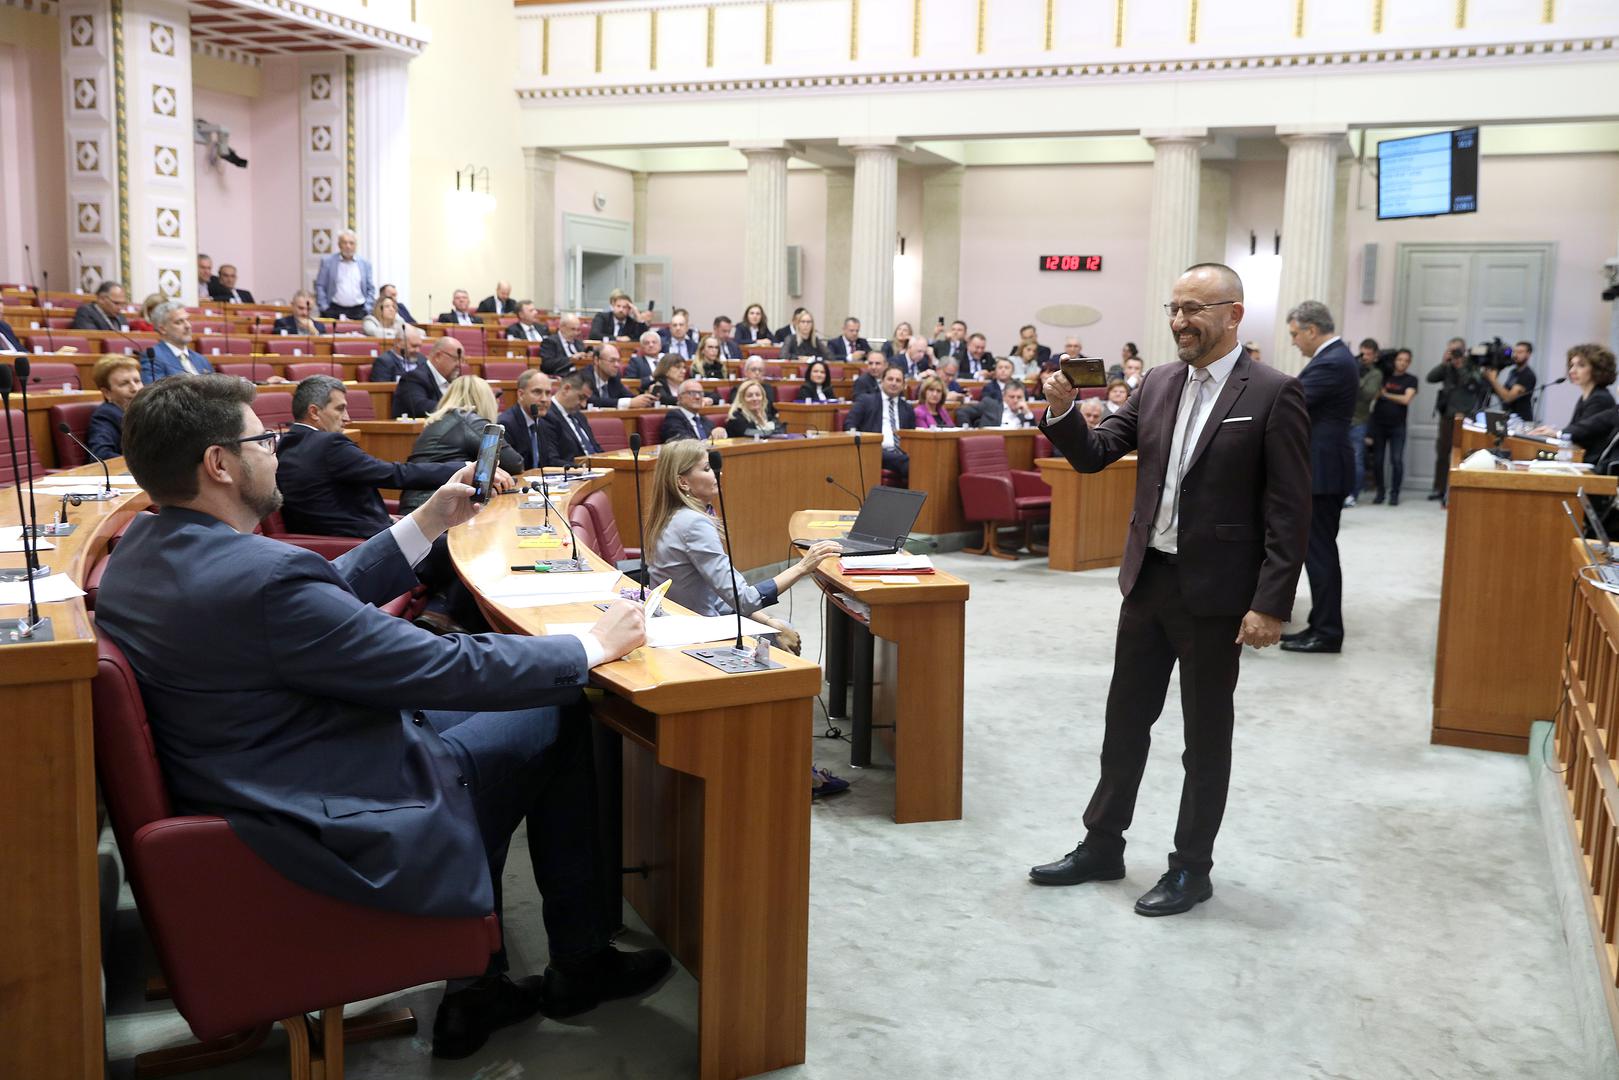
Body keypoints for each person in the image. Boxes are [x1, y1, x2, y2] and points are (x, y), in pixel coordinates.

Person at [95, 374, 668, 1060]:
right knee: (557, 701)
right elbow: (440, 666)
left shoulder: (141, 551)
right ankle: (575, 962)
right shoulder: (264, 580)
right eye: (265, 440)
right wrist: (587, 645)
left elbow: (318, 603)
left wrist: (429, 521)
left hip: (254, 774)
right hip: (327, 811)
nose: (278, 451)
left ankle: (481, 986)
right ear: (219, 464)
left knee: (521, 702)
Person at [1028, 262, 1311, 917]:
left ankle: (1190, 869)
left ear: (1233, 313)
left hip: (1215, 597)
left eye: (1196, 308)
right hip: (1147, 582)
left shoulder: (1272, 392)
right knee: (1122, 725)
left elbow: (1289, 509)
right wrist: (1063, 412)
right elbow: (1095, 453)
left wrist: (1270, 604)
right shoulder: (1156, 383)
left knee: (1203, 738)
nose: (1181, 320)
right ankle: (1101, 846)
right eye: (1174, 308)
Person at [640, 439, 847, 794]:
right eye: (706, 468)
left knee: (780, 629)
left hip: (690, 623)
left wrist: (766, 621)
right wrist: (803, 566)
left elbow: (720, 596)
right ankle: (793, 771)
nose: (715, 472)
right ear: (683, 482)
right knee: (787, 655)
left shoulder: (676, 515)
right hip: (700, 636)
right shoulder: (694, 523)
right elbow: (743, 596)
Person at [279, 374, 467, 536]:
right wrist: (463, 468)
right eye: (339, 409)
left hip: (336, 541)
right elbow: (396, 474)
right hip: (361, 545)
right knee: (459, 551)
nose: (347, 418)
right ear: (314, 412)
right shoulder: (329, 444)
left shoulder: (284, 445)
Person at [1280, 300, 1357, 656]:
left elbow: (1290, 405)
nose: (1295, 342)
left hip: (1322, 471)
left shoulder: (1332, 362)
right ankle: (1320, 625)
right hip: (1324, 468)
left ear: (1312, 330)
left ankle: (1327, 631)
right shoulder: (1335, 358)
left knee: (1320, 553)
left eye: (1296, 334)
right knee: (1319, 551)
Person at [399, 377, 525, 514]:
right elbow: (515, 463)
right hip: (435, 510)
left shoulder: (438, 420)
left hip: (416, 506)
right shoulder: (470, 421)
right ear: (485, 399)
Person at [1425, 336, 1486, 503]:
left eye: (1457, 350)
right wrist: (1445, 363)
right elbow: (1430, 378)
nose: (1455, 354)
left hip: (1465, 417)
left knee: (1463, 453)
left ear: (1464, 350)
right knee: (1442, 453)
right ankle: (1439, 489)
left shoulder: (1472, 365)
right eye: (1451, 350)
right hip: (1447, 415)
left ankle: (1460, 488)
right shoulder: (1447, 366)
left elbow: (1476, 383)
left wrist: (1460, 366)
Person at [1531, 344, 1619, 457]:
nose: (1572, 371)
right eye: (1571, 365)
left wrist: (1557, 434)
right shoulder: (1585, 397)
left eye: (1581, 366)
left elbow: (1584, 433)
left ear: (1597, 369)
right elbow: (1575, 429)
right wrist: (1554, 433)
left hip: (1590, 462)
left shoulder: (1601, 398)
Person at [844, 365, 913, 484]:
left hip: (901, 452)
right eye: (890, 379)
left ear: (903, 385)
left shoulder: (907, 408)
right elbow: (849, 424)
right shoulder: (866, 401)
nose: (894, 383)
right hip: (875, 450)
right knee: (910, 463)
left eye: (898, 380)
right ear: (882, 381)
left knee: (916, 460)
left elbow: (912, 434)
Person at [1368, 349, 1419, 505]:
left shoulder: (1411, 380)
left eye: (1405, 360)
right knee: (1377, 461)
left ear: (1409, 362)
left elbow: (1406, 399)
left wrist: (1386, 395)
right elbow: (1373, 395)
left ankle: (1395, 494)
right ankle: (1380, 492)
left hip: (1398, 426)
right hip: (1379, 424)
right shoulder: (1383, 375)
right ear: (1394, 361)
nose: (1402, 363)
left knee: (1396, 460)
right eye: (1399, 359)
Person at [1346, 338, 1384, 508]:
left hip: (1359, 421)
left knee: (1357, 459)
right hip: (1343, 419)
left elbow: (1368, 393)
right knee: (1342, 460)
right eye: (1363, 353)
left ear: (1375, 356)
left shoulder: (1376, 374)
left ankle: (1353, 495)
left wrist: (1356, 377)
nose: (1365, 357)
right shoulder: (1353, 368)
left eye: (1369, 354)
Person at [500, 369, 562, 471]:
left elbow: (550, 460)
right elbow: (512, 469)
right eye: (537, 392)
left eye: (548, 393)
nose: (544, 399)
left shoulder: (545, 422)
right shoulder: (506, 424)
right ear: (521, 395)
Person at [141, 302, 215, 382]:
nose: (188, 326)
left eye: (187, 320)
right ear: (162, 329)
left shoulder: (201, 359)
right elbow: (155, 392)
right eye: (179, 322)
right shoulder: (154, 357)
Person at [393, 337, 465, 419]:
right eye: (456, 359)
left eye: (462, 360)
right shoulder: (413, 378)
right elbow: (422, 407)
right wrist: (459, 408)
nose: (459, 365)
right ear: (438, 356)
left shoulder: (455, 380)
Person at [87, 355, 142, 460]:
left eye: (137, 381)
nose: (135, 388)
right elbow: (100, 455)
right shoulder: (105, 415)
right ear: (107, 393)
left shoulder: (147, 409)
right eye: (124, 384)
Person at [313, 230, 375, 320]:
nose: (348, 246)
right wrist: (324, 307)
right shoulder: (328, 262)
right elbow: (320, 286)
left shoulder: (365, 264)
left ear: (356, 245)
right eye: (344, 243)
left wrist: (367, 308)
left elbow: (370, 288)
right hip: (334, 309)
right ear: (339, 245)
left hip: (359, 310)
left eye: (351, 243)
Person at [547, 372, 604, 459]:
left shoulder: (580, 416)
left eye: (586, 399)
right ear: (566, 389)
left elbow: (596, 448)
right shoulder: (547, 416)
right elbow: (552, 460)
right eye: (581, 397)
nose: (584, 405)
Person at [587, 344, 655, 410]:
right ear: (596, 360)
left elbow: (629, 397)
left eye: (618, 361)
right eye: (612, 360)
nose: (617, 365)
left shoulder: (615, 377)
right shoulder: (584, 377)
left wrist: (646, 399)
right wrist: (628, 403)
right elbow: (591, 401)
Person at [1484, 340, 1537, 423]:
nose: (1516, 355)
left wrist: (1493, 380)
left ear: (1528, 354)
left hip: (1520, 421)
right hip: (1507, 417)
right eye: (1515, 352)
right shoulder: (1513, 372)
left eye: (1520, 352)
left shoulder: (1528, 375)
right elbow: (1502, 393)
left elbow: (1508, 398)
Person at [960, 381, 1036, 429]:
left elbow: (1033, 432)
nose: (1015, 400)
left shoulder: (1025, 413)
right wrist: (968, 430)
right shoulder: (990, 405)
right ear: (1004, 396)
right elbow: (962, 412)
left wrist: (1027, 413)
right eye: (1012, 397)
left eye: (1019, 397)